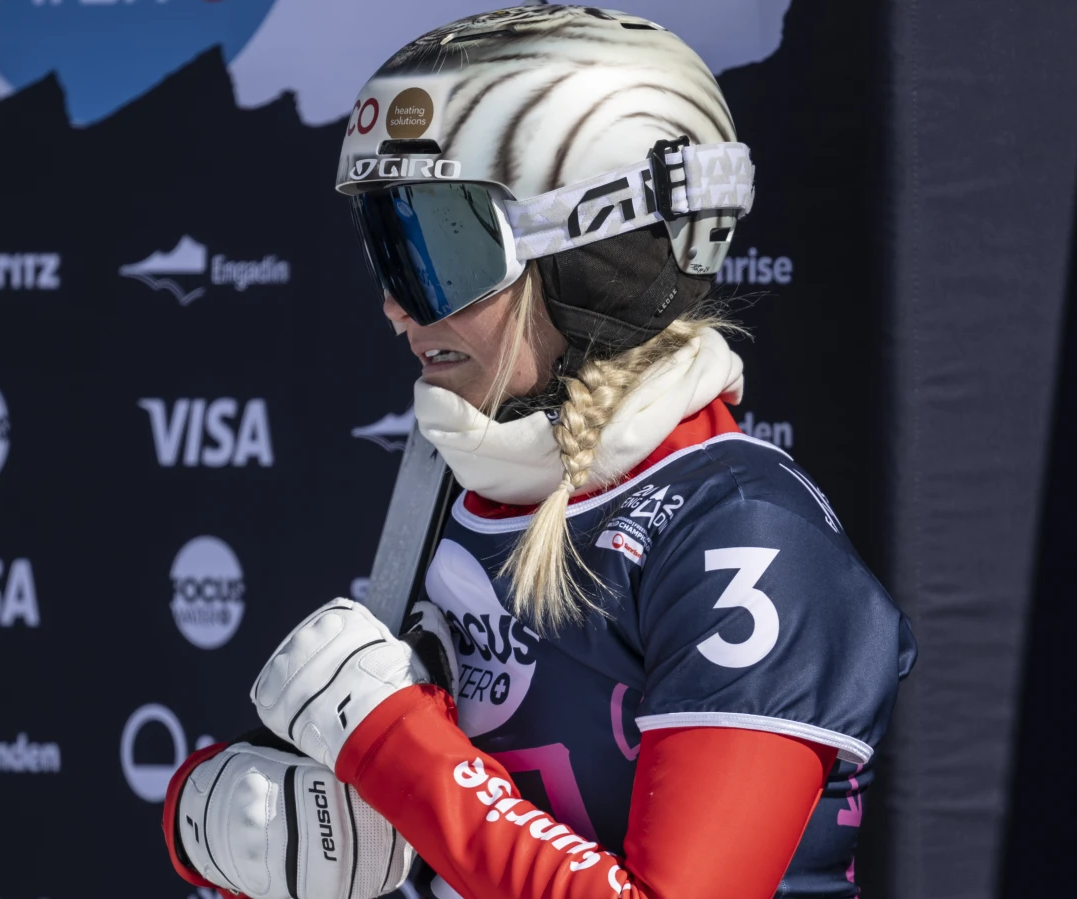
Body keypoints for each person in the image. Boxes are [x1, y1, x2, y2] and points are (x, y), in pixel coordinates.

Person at [161, 7, 916, 899]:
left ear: (596, 254)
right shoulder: (458, 476)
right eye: (388, 247)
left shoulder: (744, 534)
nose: (397, 308)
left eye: (439, 252)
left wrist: (394, 745)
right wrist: (231, 817)